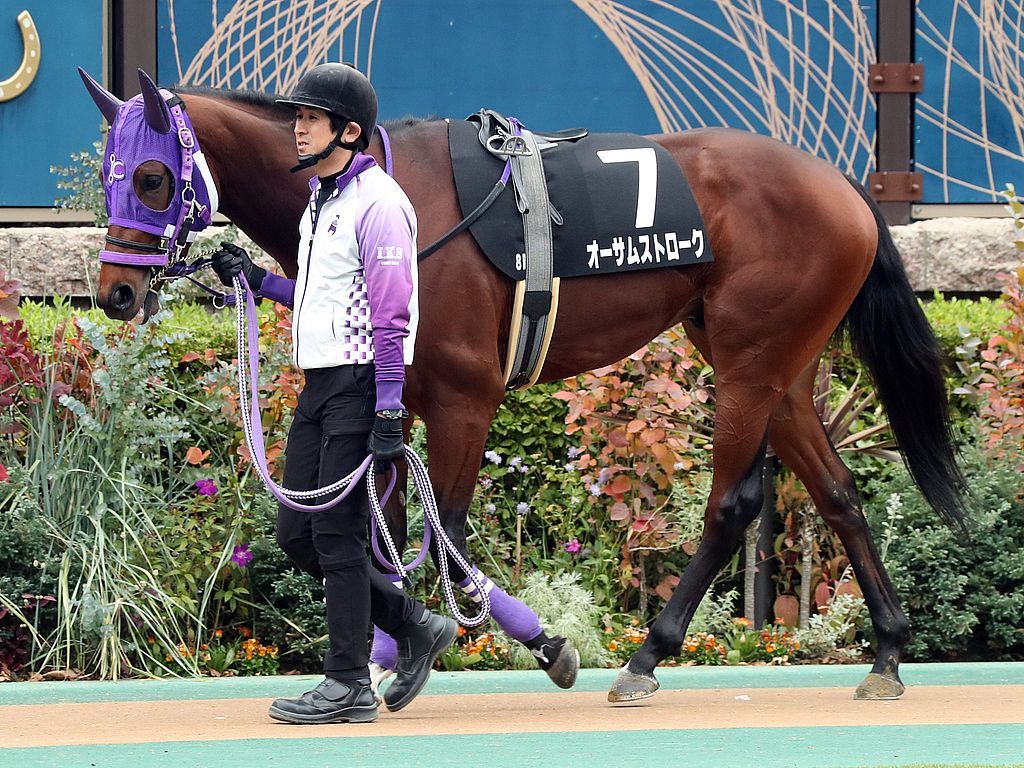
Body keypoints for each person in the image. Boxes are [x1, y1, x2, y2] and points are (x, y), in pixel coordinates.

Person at [210, 62, 456, 725]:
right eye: (297, 117)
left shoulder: (380, 204)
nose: (298, 129)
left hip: (359, 384)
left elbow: (391, 316)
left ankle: (348, 684)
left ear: (348, 131)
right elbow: (320, 297)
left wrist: (388, 407)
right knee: (298, 534)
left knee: (338, 535)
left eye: (310, 119)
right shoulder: (321, 201)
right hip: (321, 385)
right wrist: (257, 280)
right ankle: (413, 624)